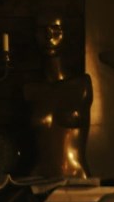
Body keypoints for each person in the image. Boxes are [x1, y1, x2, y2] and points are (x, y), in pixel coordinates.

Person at [23, 15, 92, 179]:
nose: (49, 36)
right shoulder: (30, 90)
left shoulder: (82, 85)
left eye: (56, 30)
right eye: (42, 30)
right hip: (37, 178)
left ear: (66, 34)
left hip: (77, 176)